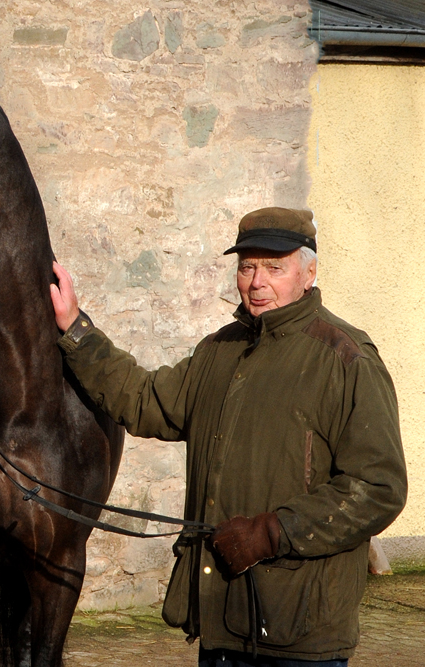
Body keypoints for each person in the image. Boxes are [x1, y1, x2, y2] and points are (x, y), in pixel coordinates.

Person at [49, 208, 406, 666]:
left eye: (274, 267)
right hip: (221, 623)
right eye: (246, 266)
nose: (257, 282)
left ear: (309, 273)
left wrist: (271, 532)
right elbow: (144, 400)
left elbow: (379, 488)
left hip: (300, 630)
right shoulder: (219, 350)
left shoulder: (346, 359)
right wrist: (77, 329)